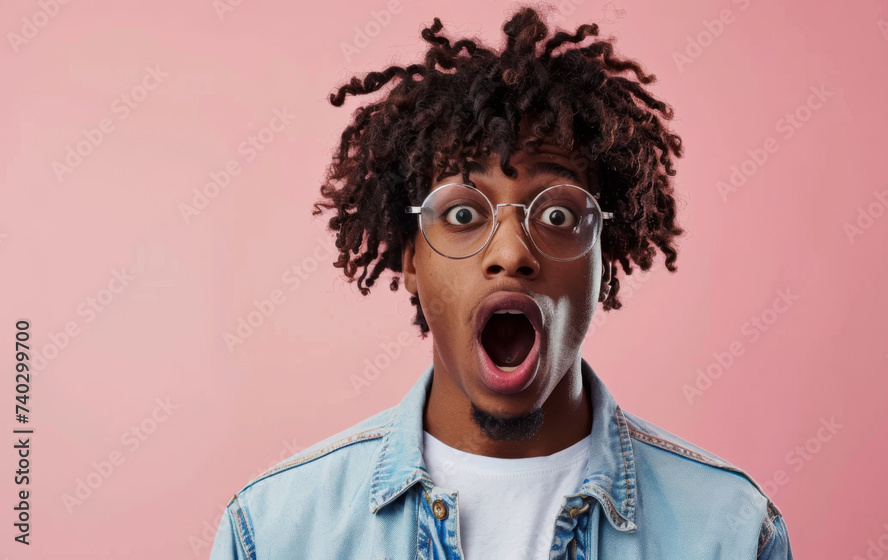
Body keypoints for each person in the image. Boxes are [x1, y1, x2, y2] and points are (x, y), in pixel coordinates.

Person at [210, 5, 793, 559]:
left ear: (604, 256)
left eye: (559, 215)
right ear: (411, 257)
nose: (512, 254)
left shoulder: (732, 534)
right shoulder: (274, 532)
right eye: (463, 214)